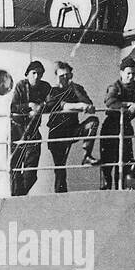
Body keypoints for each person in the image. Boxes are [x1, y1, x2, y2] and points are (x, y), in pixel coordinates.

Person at [43, 61, 98, 192]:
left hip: (72, 129)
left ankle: (87, 156)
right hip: (57, 133)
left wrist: (74, 88)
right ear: (56, 76)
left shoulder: (76, 88)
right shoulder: (52, 91)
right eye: (62, 76)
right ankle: (60, 196)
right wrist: (80, 106)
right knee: (60, 169)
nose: (65, 78)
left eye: (68, 75)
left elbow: (88, 103)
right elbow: (61, 106)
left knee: (93, 122)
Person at [98, 56, 135, 189]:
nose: (131, 76)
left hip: (126, 127)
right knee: (107, 164)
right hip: (111, 127)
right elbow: (110, 102)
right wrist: (129, 104)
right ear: (121, 72)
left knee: (124, 162)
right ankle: (105, 193)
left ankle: (120, 191)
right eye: (128, 73)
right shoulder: (115, 87)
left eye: (133, 73)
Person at [8, 61, 51, 196]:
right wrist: (29, 106)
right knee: (15, 169)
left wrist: (40, 108)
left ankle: (19, 196)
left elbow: (52, 104)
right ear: (28, 74)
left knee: (31, 174)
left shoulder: (45, 87)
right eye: (34, 73)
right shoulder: (21, 85)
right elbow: (13, 107)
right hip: (17, 130)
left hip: (32, 131)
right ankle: (17, 198)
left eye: (40, 73)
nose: (37, 76)